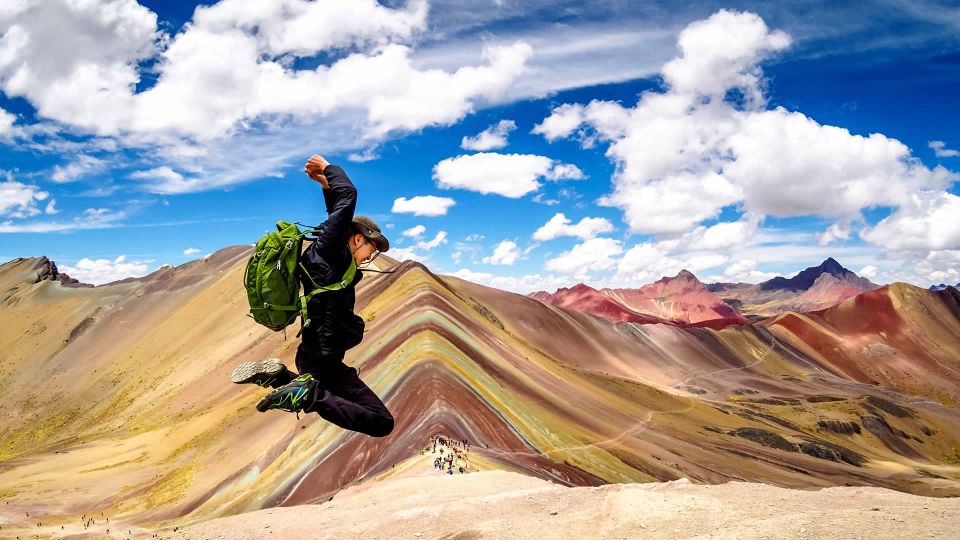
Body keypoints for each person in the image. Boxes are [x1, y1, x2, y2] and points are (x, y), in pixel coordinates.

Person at [230, 154, 394, 438]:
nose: (371, 256)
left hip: (316, 356)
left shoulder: (326, 254)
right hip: (324, 358)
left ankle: (280, 378)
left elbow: (337, 215)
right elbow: (349, 197)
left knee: (332, 396)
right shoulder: (332, 252)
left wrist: (324, 186)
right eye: (372, 247)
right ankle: (303, 394)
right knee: (381, 422)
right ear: (357, 239)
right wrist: (329, 169)